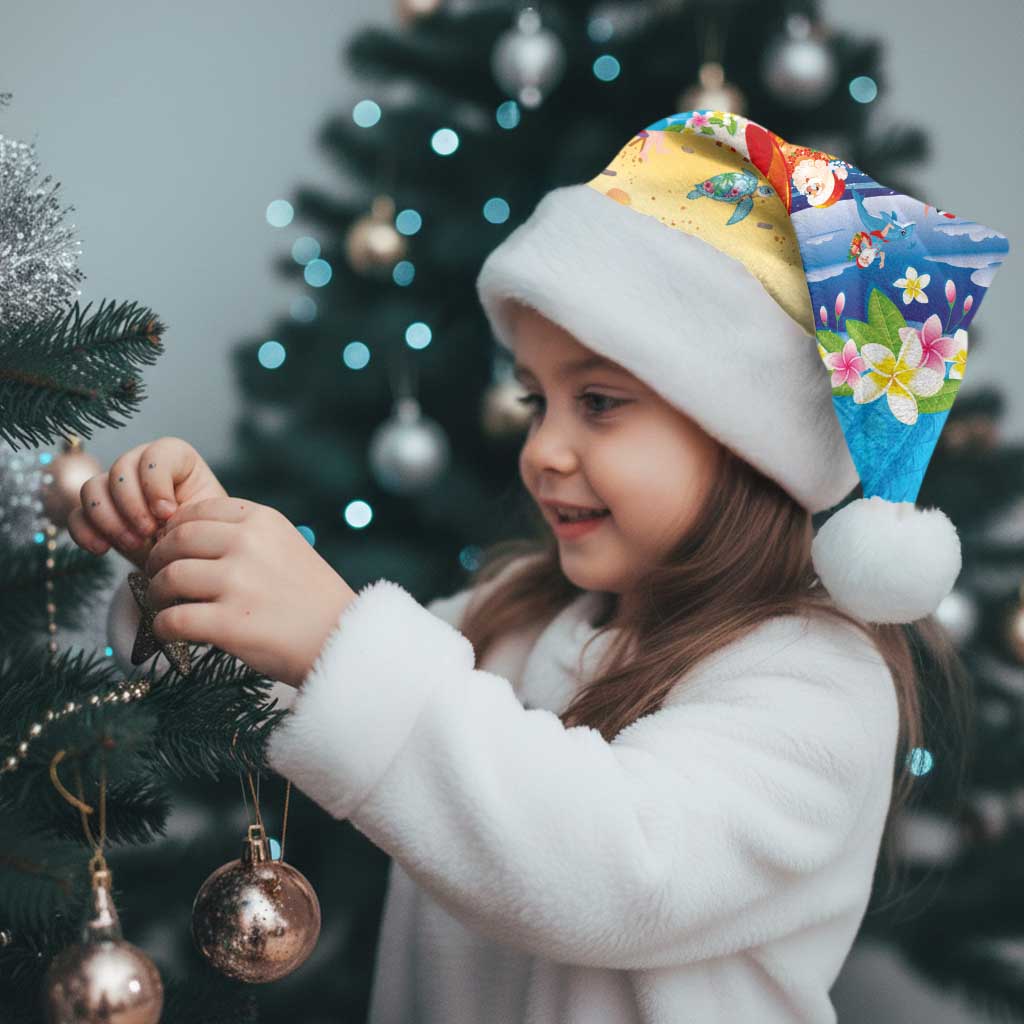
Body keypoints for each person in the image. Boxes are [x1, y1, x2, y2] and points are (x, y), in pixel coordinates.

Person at [72, 108, 1009, 1023]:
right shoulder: (514, 616)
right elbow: (306, 692)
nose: (543, 450)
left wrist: (334, 637)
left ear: (748, 441)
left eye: (598, 402)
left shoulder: (819, 683)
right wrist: (190, 566)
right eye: (535, 402)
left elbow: (616, 870)